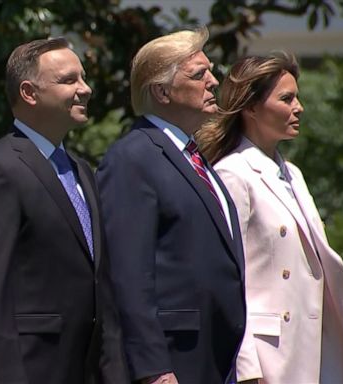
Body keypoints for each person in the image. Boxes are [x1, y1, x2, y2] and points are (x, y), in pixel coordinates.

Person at [0, 37, 129, 384]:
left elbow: (100, 284)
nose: (85, 89)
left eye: (84, 78)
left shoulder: (82, 170)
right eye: (69, 80)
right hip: (32, 369)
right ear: (29, 92)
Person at [96, 27, 246, 384]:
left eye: (211, 70)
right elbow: (128, 273)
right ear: (161, 91)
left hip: (214, 357)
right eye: (199, 74)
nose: (213, 81)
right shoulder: (132, 158)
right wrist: (152, 368)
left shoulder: (193, 157)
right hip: (173, 362)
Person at [197, 52, 343, 383]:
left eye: (297, 97)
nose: (299, 108)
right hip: (270, 359)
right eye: (286, 98)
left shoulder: (293, 173)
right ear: (251, 107)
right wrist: (247, 370)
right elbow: (229, 280)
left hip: (316, 348)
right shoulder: (232, 174)